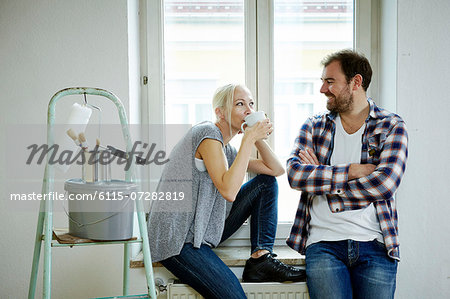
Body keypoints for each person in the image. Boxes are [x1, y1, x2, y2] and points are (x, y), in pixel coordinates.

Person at [148, 84, 306, 299]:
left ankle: (261, 258)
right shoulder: (206, 133)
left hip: (203, 231)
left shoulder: (227, 150)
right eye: (240, 104)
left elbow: (275, 170)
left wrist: (257, 138)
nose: (248, 110)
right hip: (176, 239)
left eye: (251, 104)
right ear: (219, 113)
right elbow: (229, 192)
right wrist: (248, 139)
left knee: (265, 183)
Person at [286, 50, 408, 299]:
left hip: (376, 245)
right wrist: (352, 171)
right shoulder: (313, 126)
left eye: (330, 81)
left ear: (356, 82)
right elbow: (296, 175)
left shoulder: (391, 126)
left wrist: (322, 180)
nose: (322, 89)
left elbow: (385, 184)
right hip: (323, 245)